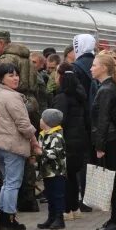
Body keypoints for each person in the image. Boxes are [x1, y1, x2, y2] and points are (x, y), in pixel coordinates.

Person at [0, 63, 40, 230]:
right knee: (12, 183)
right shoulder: (12, 97)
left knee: (6, 182)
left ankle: (2, 218)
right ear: (1, 78)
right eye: (10, 75)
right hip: (13, 145)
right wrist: (33, 139)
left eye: (16, 74)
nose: (15, 78)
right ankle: (9, 219)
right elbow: (23, 123)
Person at [90, 53, 116, 230]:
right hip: (113, 139)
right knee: (111, 180)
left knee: (111, 182)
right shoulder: (110, 86)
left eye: (94, 65)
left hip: (109, 140)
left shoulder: (105, 90)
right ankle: (114, 219)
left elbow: (103, 120)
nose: (91, 68)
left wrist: (99, 146)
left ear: (104, 68)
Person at [51, 63, 91, 220]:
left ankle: (66, 209)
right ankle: (74, 207)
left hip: (66, 140)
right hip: (80, 140)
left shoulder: (61, 98)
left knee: (65, 176)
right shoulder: (80, 95)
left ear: (60, 76)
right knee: (73, 175)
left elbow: (59, 120)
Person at [36, 109, 67, 230]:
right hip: (47, 171)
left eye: (42, 118)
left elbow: (55, 153)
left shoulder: (56, 135)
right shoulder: (43, 134)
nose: (40, 120)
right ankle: (51, 217)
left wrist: (40, 152)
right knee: (49, 195)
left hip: (57, 172)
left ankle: (59, 218)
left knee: (57, 195)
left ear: (48, 122)